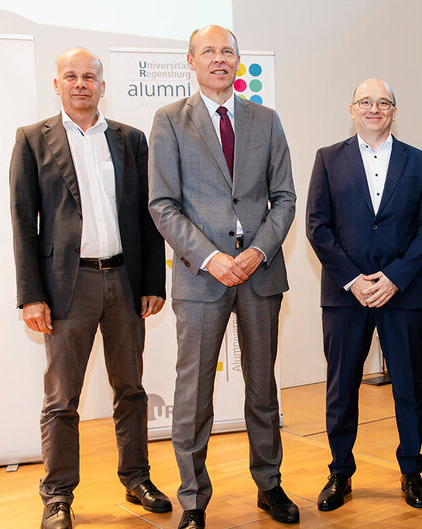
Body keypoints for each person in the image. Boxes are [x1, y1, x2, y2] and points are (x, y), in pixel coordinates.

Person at [10, 47, 170, 529]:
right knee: (62, 399)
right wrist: (31, 295)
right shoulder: (32, 140)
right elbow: (23, 223)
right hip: (66, 287)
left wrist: (152, 281)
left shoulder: (130, 139)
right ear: (57, 84)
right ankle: (58, 496)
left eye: (89, 77)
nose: (80, 84)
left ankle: (137, 478)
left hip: (124, 280)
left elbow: (148, 216)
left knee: (131, 389)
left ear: (102, 85)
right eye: (71, 76)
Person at [148, 25, 297, 529]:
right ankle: (193, 500)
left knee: (262, 389)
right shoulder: (170, 121)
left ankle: (270, 485)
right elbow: (162, 205)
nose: (219, 58)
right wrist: (211, 257)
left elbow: (284, 198)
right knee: (193, 396)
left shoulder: (266, 120)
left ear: (237, 61)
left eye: (227, 51)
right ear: (191, 61)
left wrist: (257, 251)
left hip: (260, 274)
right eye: (208, 51)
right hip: (201, 278)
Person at [306, 78, 422, 512]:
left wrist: (395, 277)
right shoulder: (328, 159)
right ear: (352, 109)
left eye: (383, 103)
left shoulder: (420, 162)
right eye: (365, 101)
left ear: (394, 112)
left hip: (401, 293)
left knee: (408, 386)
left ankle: (411, 471)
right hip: (346, 294)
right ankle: (340, 472)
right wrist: (354, 279)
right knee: (342, 387)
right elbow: (317, 226)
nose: (374, 109)